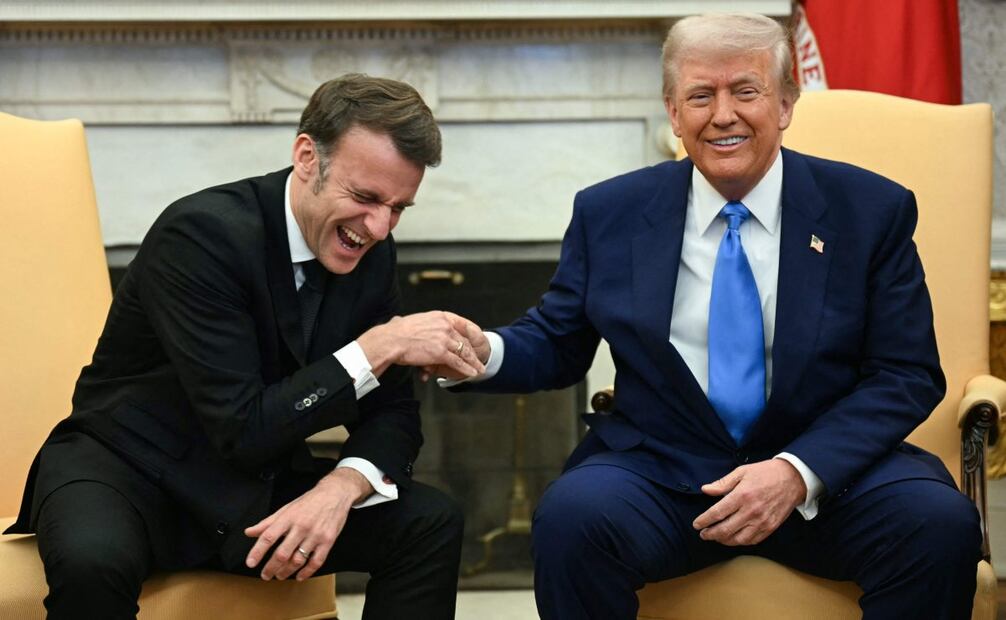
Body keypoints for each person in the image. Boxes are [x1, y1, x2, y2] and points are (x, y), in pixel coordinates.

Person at [450, 13, 982, 619]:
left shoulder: (870, 210)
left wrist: (794, 472)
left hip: (829, 479)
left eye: (745, 92)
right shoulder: (611, 212)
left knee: (939, 526)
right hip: (665, 476)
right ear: (674, 114)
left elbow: (905, 373)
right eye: (700, 95)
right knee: (572, 521)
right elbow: (557, 340)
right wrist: (479, 350)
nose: (722, 114)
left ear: (785, 103)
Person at [5, 73, 486, 619]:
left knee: (430, 523)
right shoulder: (200, 235)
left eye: (399, 208)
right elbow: (244, 426)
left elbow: (394, 413)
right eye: (366, 197)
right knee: (94, 565)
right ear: (307, 156)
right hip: (127, 472)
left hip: (247, 490)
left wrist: (343, 485)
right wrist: (375, 348)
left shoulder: (370, 252)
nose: (378, 227)